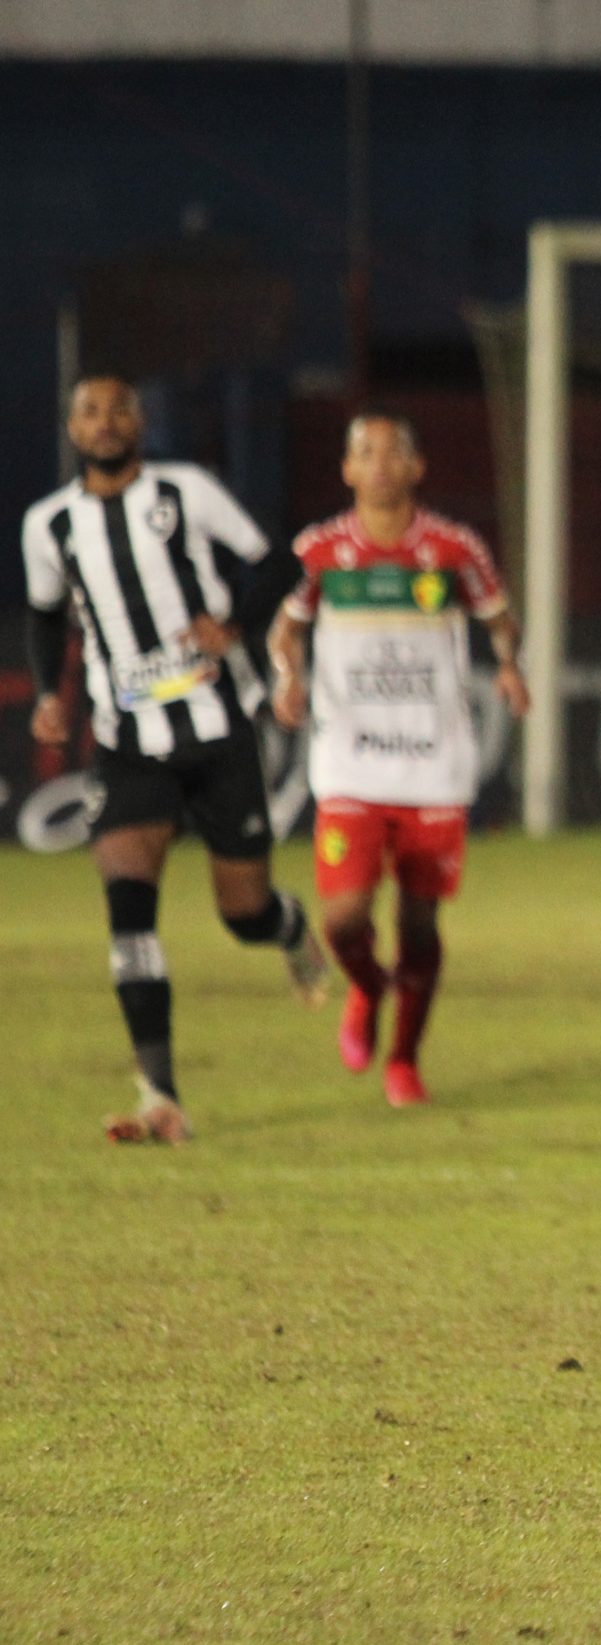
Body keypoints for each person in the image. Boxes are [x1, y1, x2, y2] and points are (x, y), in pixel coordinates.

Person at [21, 373, 327, 1143]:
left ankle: (288, 928)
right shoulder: (48, 524)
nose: (105, 421)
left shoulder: (187, 491)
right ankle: (160, 1095)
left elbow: (281, 564)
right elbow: (46, 613)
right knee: (129, 913)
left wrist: (235, 627)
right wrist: (51, 696)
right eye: (89, 409)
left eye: (120, 407)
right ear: (71, 425)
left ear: (139, 419)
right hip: (128, 745)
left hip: (218, 731)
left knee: (243, 912)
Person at [268, 411, 529, 1108]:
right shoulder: (323, 552)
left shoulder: (452, 549)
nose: (379, 463)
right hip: (349, 761)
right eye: (364, 452)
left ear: (417, 468)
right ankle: (365, 985)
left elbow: (499, 617)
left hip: (432, 763)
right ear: (348, 470)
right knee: (345, 919)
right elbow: (286, 630)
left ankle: (405, 1059)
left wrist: (509, 664)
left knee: (419, 924)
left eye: (393, 453)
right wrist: (286, 677)